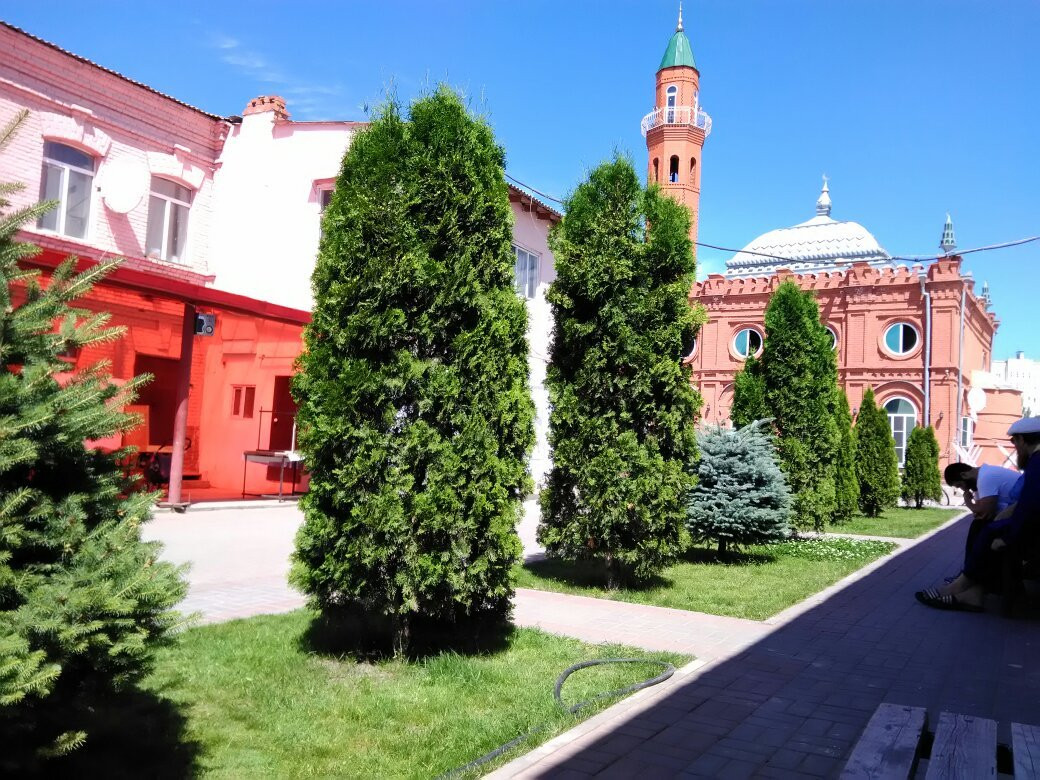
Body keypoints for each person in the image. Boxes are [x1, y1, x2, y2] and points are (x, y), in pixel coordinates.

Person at [916, 416, 1040, 612]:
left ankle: (962, 586)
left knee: (985, 530)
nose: (1015, 448)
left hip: (1032, 532)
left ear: (1022, 440)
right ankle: (970, 589)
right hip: (1028, 524)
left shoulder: (1034, 464)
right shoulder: (1034, 463)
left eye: (1015, 442)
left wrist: (1008, 537)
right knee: (985, 530)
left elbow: (993, 511)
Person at [943, 461, 1023, 574]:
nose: (963, 490)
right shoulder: (979, 482)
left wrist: (967, 501)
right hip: (1016, 514)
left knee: (979, 527)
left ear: (964, 475)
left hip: (1027, 515)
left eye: (960, 485)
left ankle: (970, 574)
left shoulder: (986, 477)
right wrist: (976, 508)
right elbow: (979, 513)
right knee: (978, 525)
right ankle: (970, 573)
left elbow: (985, 513)